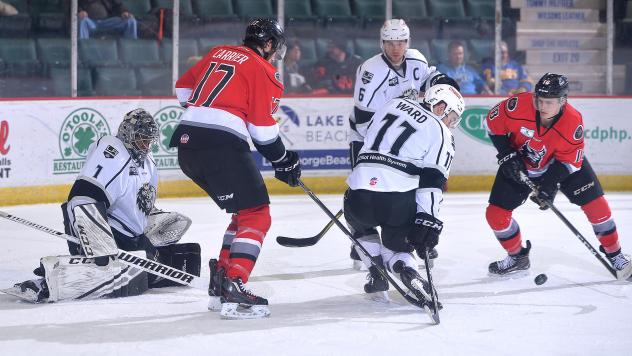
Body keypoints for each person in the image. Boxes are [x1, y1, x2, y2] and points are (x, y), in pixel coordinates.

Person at [170, 18, 301, 319]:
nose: (275, 55)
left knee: (243, 212)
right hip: (220, 146)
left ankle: (222, 280)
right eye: (276, 49)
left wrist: (208, 112)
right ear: (268, 45)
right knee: (258, 214)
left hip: (187, 144)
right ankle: (236, 282)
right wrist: (284, 161)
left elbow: (182, 90)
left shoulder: (218, 52)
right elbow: (262, 131)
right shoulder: (263, 69)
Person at [3, 109, 200, 303]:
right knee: (120, 277)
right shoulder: (112, 151)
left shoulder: (147, 161)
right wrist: (98, 241)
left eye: (149, 140)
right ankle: (45, 282)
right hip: (105, 231)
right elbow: (83, 197)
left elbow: (138, 199)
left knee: (150, 271)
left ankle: (111, 265)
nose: (146, 145)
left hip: (131, 238)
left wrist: (151, 217)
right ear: (128, 134)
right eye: (141, 138)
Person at [485, 73, 632, 280]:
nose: (542, 106)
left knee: (597, 206)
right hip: (521, 162)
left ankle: (615, 255)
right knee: (495, 215)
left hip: (560, 165)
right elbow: (492, 125)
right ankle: (518, 257)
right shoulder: (518, 105)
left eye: (549, 102)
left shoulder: (573, 121)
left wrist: (549, 185)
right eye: (539, 100)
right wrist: (506, 154)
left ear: (563, 101)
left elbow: (571, 162)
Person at [348, 19, 458, 269]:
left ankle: (415, 232)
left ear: (408, 42)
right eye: (390, 43)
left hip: (402, 133)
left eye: (401, 42)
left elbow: (430, 76)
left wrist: (445, 84)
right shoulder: (370, 71)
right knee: (363, 186)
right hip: (368, 138)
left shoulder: (416, 60)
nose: (396, 48)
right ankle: (362, 238)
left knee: (416, 182)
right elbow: (364, 121)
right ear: (382, 43)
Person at [344, 84, 464, 303]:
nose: (451, 123)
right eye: (453, 116)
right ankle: (406, 270)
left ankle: (375, 270)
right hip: (396, 201)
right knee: (397, 246)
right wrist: (429, 221)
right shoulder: (441, 133)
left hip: (359, 192)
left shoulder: (392, 104)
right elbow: (432, 182)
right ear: (440, 107)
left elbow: (364, 134)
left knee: (359, 225)